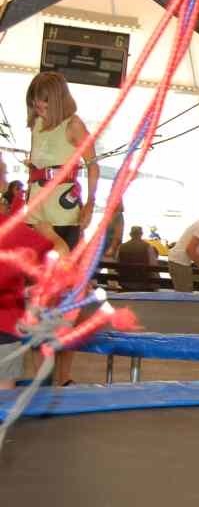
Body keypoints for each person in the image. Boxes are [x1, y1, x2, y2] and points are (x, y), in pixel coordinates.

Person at [25, 71, 97, 386]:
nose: (38, 109)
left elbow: (93, 164)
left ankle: (63, 376)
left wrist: (91, 202)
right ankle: (42, 373)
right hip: (37, 218)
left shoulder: (73, 125)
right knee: (39, 298)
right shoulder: (36, 126)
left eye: (42, 103)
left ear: (55, 100)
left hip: (64, 219)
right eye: (34, 104)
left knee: (67, 299)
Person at [0, 155, 53, 390]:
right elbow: (58, 261)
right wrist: (52, 234)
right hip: (3, 328)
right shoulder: (11, 230)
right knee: (3, 398)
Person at [116, 226, 160, 291]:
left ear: (130, 234)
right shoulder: (147, 247)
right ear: (141, 234)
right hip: (143, 283)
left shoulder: (121, 247)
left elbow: (117, 263)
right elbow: (153, 266)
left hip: (125, 282)